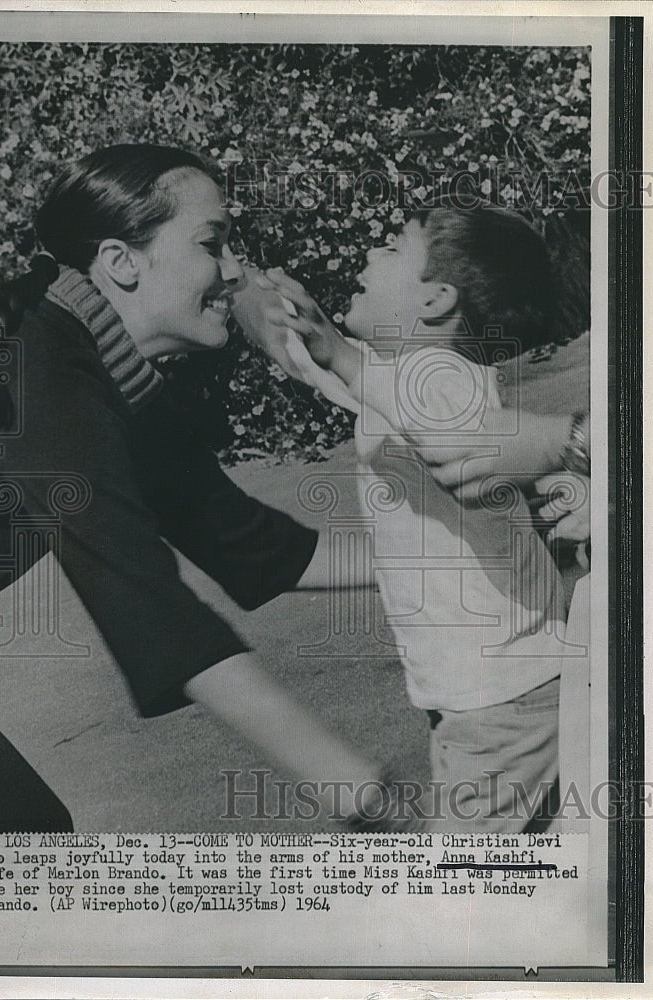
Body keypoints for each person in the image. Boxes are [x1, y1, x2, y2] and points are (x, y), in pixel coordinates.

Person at [0, 144, 386, 833]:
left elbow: (255, 548)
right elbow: (140, 593)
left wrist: (469, 556)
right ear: (122, 262)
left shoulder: (104, 370)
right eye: (214, 244)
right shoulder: (37, 366)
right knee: (9, 842)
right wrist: (344, 781)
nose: (234, 271)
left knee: (11, 836)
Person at [254, 206, 572, 831]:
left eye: (394, 250)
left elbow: (442, 429)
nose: (371, 253)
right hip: (486, 693)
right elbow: (321, 367)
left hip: (500, 694)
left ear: (437, 299)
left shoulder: (448, 379)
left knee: (458, 894)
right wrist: (249, 291)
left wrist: (344, 355)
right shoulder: (395, 379)